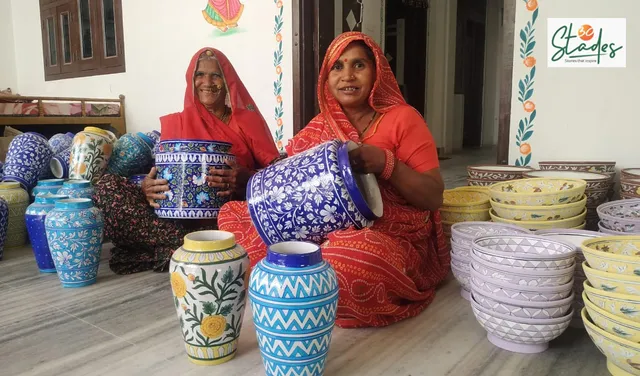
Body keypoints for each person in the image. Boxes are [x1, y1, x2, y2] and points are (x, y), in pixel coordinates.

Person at [218, 32, 450, 328]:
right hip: (319, 228)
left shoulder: (403, 119)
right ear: (326, 78)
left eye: (359, 65)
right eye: (337, 67)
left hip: (388, 235)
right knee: (234, 221)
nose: (347, 76)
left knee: (342, 258)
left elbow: (433, 197)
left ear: (377, 72)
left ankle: (295, 285)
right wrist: (247, 179)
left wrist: (386, 164)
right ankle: (302, 282)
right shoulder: (321, 125)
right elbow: (286, 180)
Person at [93, 47, 280, 275]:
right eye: (199, 74)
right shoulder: (177, 123)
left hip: (223, 216)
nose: (207, 81)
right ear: (191, 80)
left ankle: (172, 250)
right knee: (107, 186)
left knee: (243, 225)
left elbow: (277, 178)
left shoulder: (246, 120)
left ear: (227, 80)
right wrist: (147, 188)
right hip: (173, 219)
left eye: (216, 75)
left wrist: (246, 178)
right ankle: (189, 247)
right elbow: (161, 174)